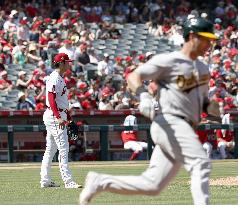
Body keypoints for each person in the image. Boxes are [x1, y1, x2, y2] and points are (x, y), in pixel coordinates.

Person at [79, 17, 219, 205]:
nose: (210, 44)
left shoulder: (202, 68)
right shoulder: (169, 60)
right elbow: (134, 76)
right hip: (170, 122)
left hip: (185, 126)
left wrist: (210, 108)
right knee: (201, 163)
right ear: (192, 36)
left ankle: (101, 182)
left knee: (152, 184)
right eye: (206, 39)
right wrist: (144, 96)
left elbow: (202, 101)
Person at [40, 53, 82, 188]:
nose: (69, 64)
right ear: (62, 63)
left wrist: (68, 119)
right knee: (63, 148)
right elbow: (51, 99)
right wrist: (58, 117)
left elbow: (61, 102)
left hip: (58, 114)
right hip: (54, 115)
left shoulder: (59, 78)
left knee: (51, 149)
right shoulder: (54, 78)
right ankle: (68, 181)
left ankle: (45, 180)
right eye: (67, 62)